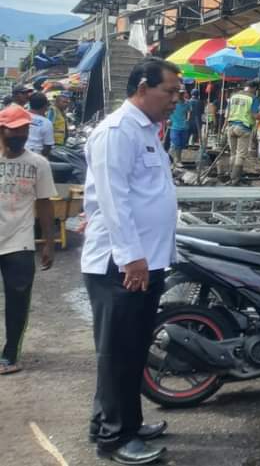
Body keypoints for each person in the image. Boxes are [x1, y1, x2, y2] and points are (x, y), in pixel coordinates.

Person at [82, 58, 180, 464]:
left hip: (144, 260)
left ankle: (120, 422)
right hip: (121, 264)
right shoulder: (117, 131)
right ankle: (115, 438)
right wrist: (131, 258)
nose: (176, 99)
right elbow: (113, 198)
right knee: (118, 353)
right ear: (142, 87)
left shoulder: (145, 130)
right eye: (169, 91)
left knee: (132, 349)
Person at [0, 104, 56, 375]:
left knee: (18, 300)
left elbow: (44, 203)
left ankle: (10, 354)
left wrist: (48, 242)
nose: (20, 135)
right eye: (14, 130)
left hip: (19, 241)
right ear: (2, 130)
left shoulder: (38, 164)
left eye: (24, 130)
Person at [225, 81, 260, 184]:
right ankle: (235, 179)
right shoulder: (253, 98)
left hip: (230, 126)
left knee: (233, 153)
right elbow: (254, 115)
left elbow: (227, 113)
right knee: (240, 155)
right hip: (243, 128)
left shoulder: (233, 96)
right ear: (254, 88)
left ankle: (230, 176)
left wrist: (224, 126)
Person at [167, 91, 192, 165]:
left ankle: (176, 159)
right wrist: (168, 119)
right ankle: (177, 160)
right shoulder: (172, 102)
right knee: (176, 144)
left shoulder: (187, 103)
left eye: (182, 93)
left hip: (184, 127)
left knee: (181, 145)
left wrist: (188, 118)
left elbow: (189, 111)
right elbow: (167, 111)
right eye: (179, 94)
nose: (180, 95)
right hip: (174, 127)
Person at [26, 92, 54, 158]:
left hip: (18, 153)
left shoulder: (21, 116)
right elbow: (48, 146)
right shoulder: (46, 123)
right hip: (35, 156)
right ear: (45, 106)